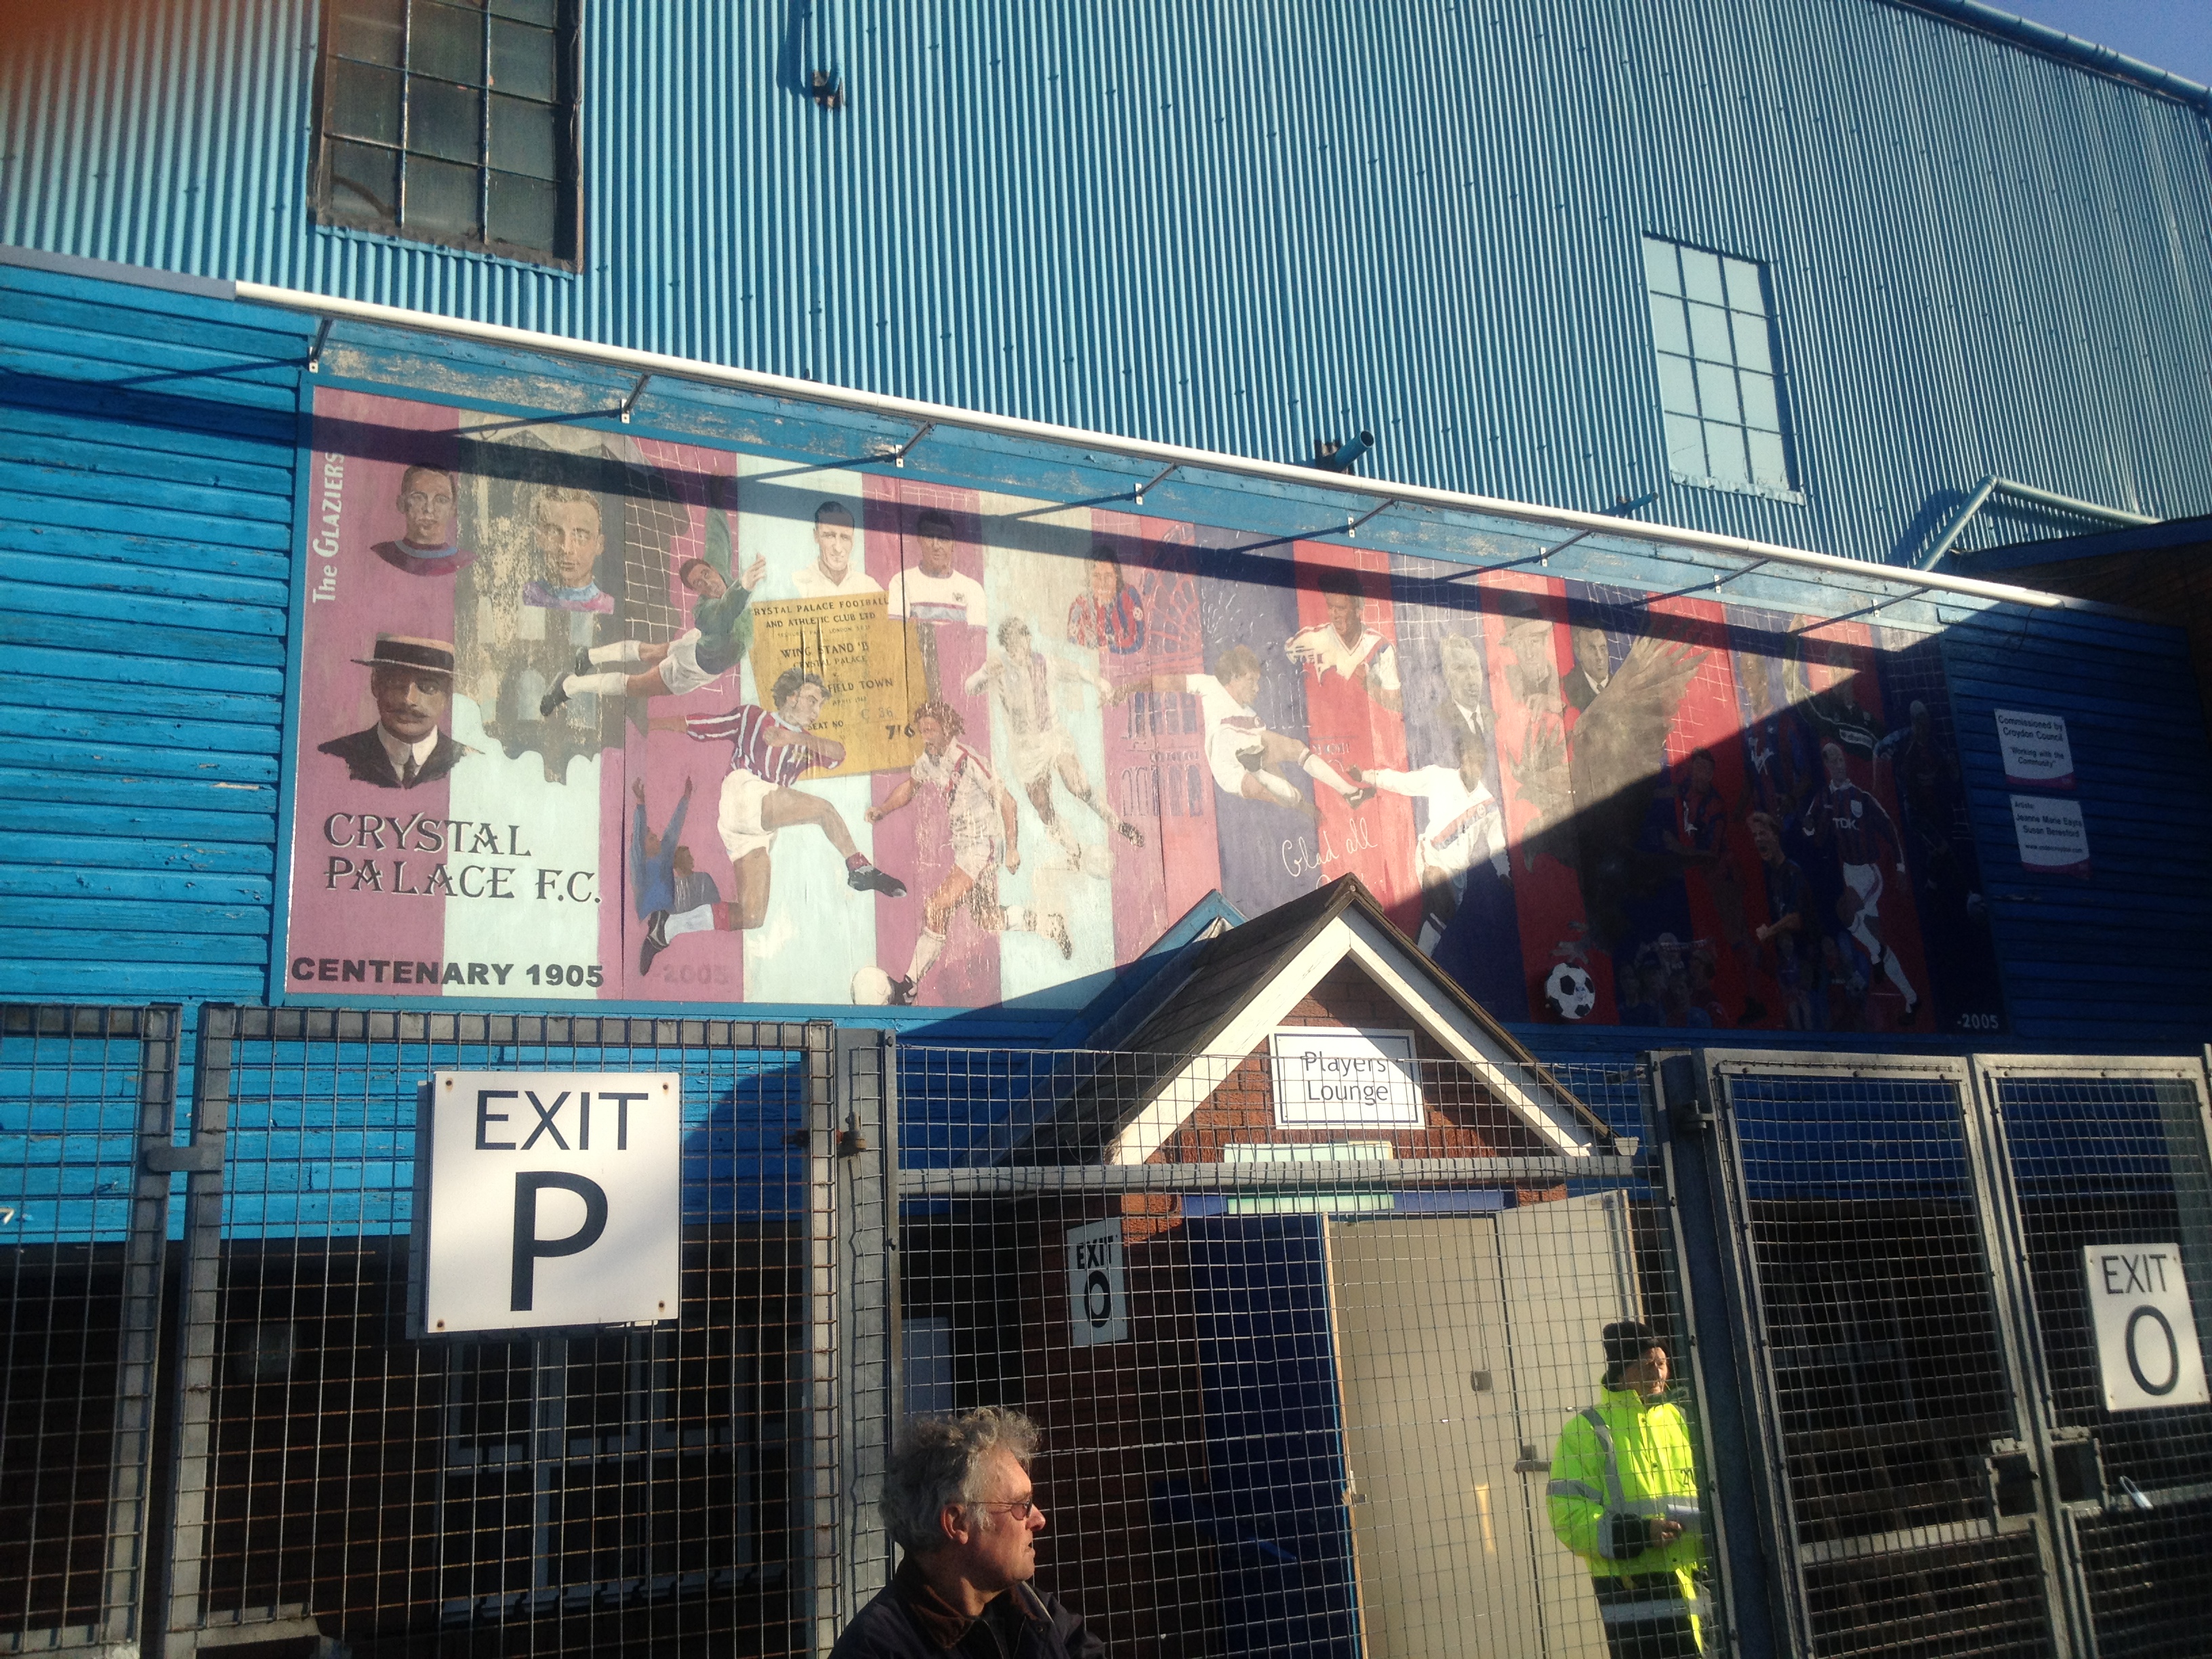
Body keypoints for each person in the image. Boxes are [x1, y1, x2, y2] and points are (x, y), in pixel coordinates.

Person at [637, 668, 905, 970]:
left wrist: (793, 738)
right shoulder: (753, 717)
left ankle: (667, 928)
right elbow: (701, 725)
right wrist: (651, 724)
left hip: (753, 829)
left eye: (820, 705)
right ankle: (859, 869)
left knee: (752, 915)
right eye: (812, 701)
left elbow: (838, 754)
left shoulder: (803, 742)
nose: (816, 711)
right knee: (823, 810)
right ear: (791, 697)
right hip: (743, 793)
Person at [832, 1407, 1103, 1659]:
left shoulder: (1034, 1610)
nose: (1039, 1520)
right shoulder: (877, 1648)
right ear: (957, 1523)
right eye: (1022, 1505)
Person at [865, 701, 1071, 1006]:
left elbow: (1008, 802)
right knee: (986, 918)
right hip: (965, 849)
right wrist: (883, 809)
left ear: (947, 728)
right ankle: (1048, 924)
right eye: (922, 731)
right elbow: (911, 786)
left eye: (931, 729)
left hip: (982, 846)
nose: (926, 736)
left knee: (936, 907)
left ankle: (907, 988)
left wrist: (1013, 848)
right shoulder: (929, 760)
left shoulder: (968, 759)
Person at [1549, 1320, 1706, 1658]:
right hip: (1632, 1589)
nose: (1658, 1373)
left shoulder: (1679, 1418)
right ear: (1622, 1372)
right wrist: (1640, 1533)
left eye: (1662, 1363)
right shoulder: (1586, 1431)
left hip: (1693, 1578)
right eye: (1647, 1365)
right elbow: (1568, 1518)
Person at [1105, 646, 1372, 819]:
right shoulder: (1210, 685)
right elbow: (1167, 682)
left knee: (1293, 752)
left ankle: (1349, 792)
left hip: (1249, 751)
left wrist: (1297, 802)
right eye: (1251, 681)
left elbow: (1273, 761)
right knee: (1272, 788)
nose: (1257, 688)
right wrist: (1129, 688)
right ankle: (1275, 785)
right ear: (1233, 677)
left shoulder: (1251, 717)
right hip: (1226, 764)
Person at [964, 616, 1143, 868]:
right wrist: (984, 672)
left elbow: (1076, 672)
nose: (1019, 650)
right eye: (1012, 645)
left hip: (1053, 738)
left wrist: (1100, 683)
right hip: (1025, 751)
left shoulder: (1045, 662)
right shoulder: (999, 668)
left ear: (1028, 639)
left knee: (1079, 787)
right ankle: (1073, 850)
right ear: (1007, 646)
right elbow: (970, 688)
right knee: (1043, 807)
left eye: (1022, 641)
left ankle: (1118, 825)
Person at [539, 551, 766, 713]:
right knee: (636, 685)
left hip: (698, 645)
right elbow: (723, 615)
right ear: (697, 591)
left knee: (652, 652)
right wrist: (743, 587)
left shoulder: (723, 574)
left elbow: (718, 535)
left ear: (714, 569)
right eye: (699, 583)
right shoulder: (705, 611)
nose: (708, 584)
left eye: (707, 574)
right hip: (698, 665)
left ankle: (589, 656)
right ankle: (569, 685)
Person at [1359, 729, 1507, 951]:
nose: (1475, 760)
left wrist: (1504, 872)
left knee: (1438, 920)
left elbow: (1497, 843)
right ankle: (1413, 952)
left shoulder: (1488, 803)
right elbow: (1401, 782)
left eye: (1480, 756)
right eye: (1470, 754)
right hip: (1432, 854)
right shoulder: (1439, 777)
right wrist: (1366, 776)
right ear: (1461, 755)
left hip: (1458, 874)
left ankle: (1417, 955)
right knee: (1437, 895)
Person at [1802, 741, 1918, 1017]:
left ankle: (1876, 951)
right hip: (1849, 872)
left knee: (1845, 909)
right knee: (1878, 940)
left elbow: (1889, 829)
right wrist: (1809, 827)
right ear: (1827, 766)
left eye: (1841, 759)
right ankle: (1911, 998)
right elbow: (1809, 829)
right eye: (1833, 761)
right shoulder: (1824, 798)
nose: (1839, 764)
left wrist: (1901, 868)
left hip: (1869, 873)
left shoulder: (1862, 797)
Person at [318, 634, 474, 789]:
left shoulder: (470, 762)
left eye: (428, 687)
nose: (409, 700)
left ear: (448, 693)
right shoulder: (333, 756)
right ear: (375, 684)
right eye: (396, 682)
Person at [1285, 567, 1402, 712]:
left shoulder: (1380, 648)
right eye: (1330, 607)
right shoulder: (1312, 638)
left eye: (1341, 608)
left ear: (1358, 610)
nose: (1334, 615)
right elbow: (1278, 660)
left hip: (1359, 722)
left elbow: (1396, 703)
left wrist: (1368, 685)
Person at [520, 487, 614, 613]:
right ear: (539, 538)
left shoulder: (608, 606)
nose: (566, 549)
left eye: (580, 536)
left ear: (599, 544)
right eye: (554, 532)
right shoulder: (523, 596)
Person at [886, 509, 987, 626]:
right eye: (929, 537)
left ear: (953, 544)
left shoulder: (972, 589)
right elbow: (897, 631)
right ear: (919, 540)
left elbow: (976, 635)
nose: (936, 546)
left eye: (943, 539)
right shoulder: (902, 582)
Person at [370, 464, 473, 576]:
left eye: (441, 500)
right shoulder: (382, 553)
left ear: (454, 509)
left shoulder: (465, 561)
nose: (429, 509)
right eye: (418, 497)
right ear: (401, 504)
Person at [1065, 546, 1146, 653]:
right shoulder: (1079, 606)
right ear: (1089, 579)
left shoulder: (1130, 596)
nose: (1103, 584)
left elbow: (1137, 641)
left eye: (1108, 576)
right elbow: (1074, 645)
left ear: (1117, 576)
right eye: (1096, 576)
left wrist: (1109, 649)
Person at [792, 500, 882, 598]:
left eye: (845, 537)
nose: (838, 549)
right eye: (829, 536)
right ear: (816, 536)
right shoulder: (798, 585)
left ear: (853, 540)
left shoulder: (870, 587)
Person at [1561, 623, 1613, 714]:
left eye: (1602, 649)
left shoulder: (1621, 685)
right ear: (1578, 653)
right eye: (1592, 649)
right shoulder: (1566, 687)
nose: (1600, 657)